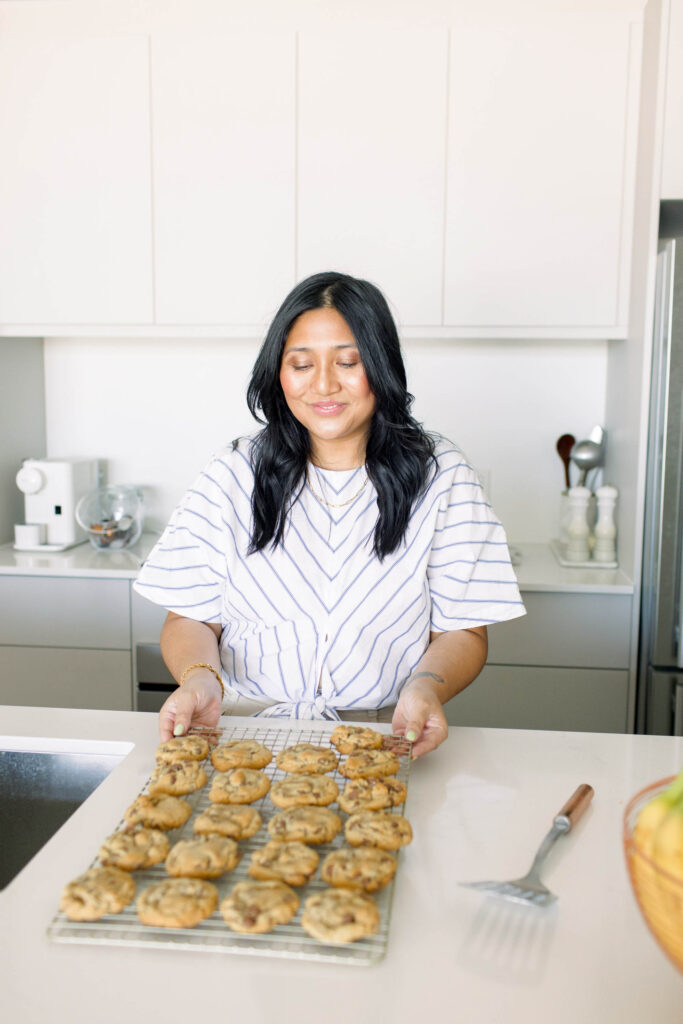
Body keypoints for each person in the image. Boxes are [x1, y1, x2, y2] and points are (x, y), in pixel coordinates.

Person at [133, 271, 525, 757]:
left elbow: (463, 629)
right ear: (278, 373)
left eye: (348, 361)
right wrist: (199, 679)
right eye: (301, 363)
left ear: (380, 367)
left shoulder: (441, 475)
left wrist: (426, 687)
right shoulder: (232, 472)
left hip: (383, 736)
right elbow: (191, 617)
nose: (323, 384)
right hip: (237, 731)